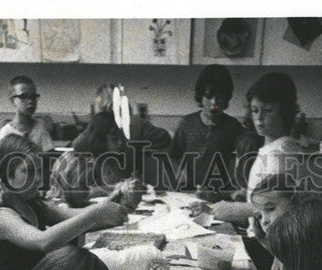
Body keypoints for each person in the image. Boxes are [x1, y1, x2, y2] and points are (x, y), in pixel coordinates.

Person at [0, 133, 128, 270]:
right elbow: (44, 241)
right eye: (29, 171)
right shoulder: (1, 217)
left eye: (39, 170)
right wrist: (96, 212)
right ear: (7, 173)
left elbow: (74, 217)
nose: (38, 178)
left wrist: (119, 208)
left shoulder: (32, 204)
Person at [210, 72, 303, 227]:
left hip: (267, 239)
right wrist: (247, 195)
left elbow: (275, 207)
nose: (259, 118)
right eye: (255, 110)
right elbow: (268, 194)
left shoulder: (276, 155)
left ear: (284, 112)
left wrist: (231, 209)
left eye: (268, 110)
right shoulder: (278, 147)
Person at [70, 83, 172, 186]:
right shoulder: (137, 123)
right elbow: (165, 138)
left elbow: (77, 147)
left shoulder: (98, 124)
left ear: (100, 105)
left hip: (103, 185)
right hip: (135, 182)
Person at [169, 65, 244, 193]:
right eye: (209, 97)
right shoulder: (186, 124)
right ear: (200, 97)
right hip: (187, 192)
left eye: (220, 98)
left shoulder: (234, 128)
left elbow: (242, 163)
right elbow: (173, 156)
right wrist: (180, 172)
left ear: (226, 99)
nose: (214, 103)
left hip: (220, 195)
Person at [0, 75, 54, 151]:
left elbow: (49, 155)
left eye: (33, 96)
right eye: (23, 96)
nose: (31, 101)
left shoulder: (40, 127)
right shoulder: (6, 132)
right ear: (12, 101)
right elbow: (3, 160)